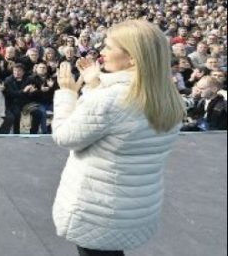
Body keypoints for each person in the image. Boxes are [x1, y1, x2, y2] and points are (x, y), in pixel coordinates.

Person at [52, 20, 184, 256]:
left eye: (109, 46)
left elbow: (65, 136)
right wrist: (95, 85)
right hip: (135, 204)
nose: (101, 51)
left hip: (98, 209)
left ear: (132, 58)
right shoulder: (167, 95)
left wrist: (67, 94)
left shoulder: (111, 99)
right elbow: (118, 124)